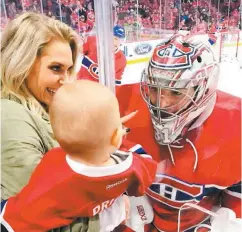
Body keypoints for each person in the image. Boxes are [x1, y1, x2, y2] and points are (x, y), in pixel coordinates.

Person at [115, 34, 241, 231]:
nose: (160, 103)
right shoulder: (125, 105)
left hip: (198, 224)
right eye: (155, 88)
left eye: (175, 92)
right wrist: (124, 196)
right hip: (142, 219)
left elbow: (236, 192)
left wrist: (232, 215)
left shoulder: (235, 124)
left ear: (202, 89)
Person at [0, 80, 157, 232]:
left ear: (55, 134)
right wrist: (115, 141)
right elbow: (146, 171)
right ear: (117, 136)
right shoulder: (131, 167)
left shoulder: (52, 173)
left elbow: (16, 220)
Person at [0, 12, 99, 232]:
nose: (65, 80)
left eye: (69, 69)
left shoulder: (41, 107)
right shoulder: (10, 116)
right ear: (21, 62)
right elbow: (40, 214)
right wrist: (105, 212)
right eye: (56, 68)